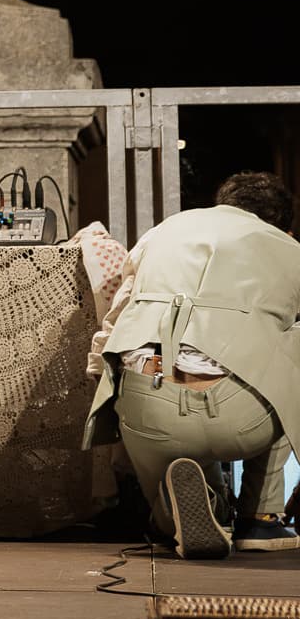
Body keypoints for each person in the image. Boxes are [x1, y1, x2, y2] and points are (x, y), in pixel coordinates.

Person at [84, 171, 300, 558]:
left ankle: (180, 513)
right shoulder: (288, 249)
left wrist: (109, 400)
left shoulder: (163, 232)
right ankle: (260, 519)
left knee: (172, 471)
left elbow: (115, 321)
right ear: (282, 225)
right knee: (289, 350)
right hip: (240, 414)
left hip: (149, 399)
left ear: (223, 203)